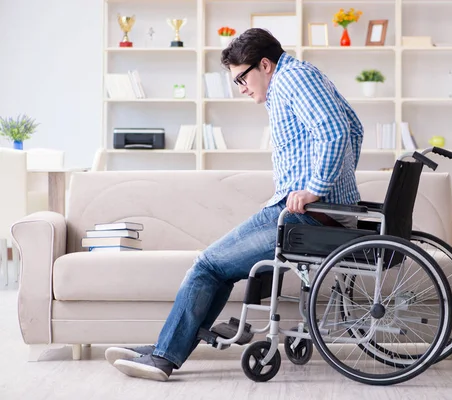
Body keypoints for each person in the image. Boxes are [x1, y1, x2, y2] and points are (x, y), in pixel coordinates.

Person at [104, 28, 364, 381]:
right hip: (312, 211)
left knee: (207, 265)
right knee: (218, 267)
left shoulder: (292, 79)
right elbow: (355, 126)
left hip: (307, 216)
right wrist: (335, 185)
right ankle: (166, 348)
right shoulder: (298, 77)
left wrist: (317, 188)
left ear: (266, 65)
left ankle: (164, 357)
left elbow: (335, 130)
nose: (241, 88)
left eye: (242, 78)